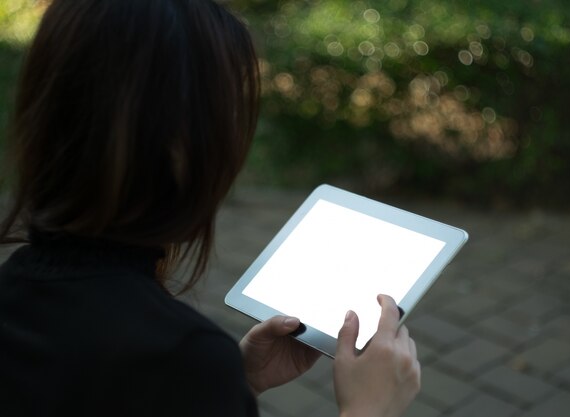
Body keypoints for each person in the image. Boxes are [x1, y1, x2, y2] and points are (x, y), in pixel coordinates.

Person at [0, 1, 421, 416]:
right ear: (179, 151)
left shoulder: (16, 291)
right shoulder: (178, 356)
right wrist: (369, 408)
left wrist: (235, 384)